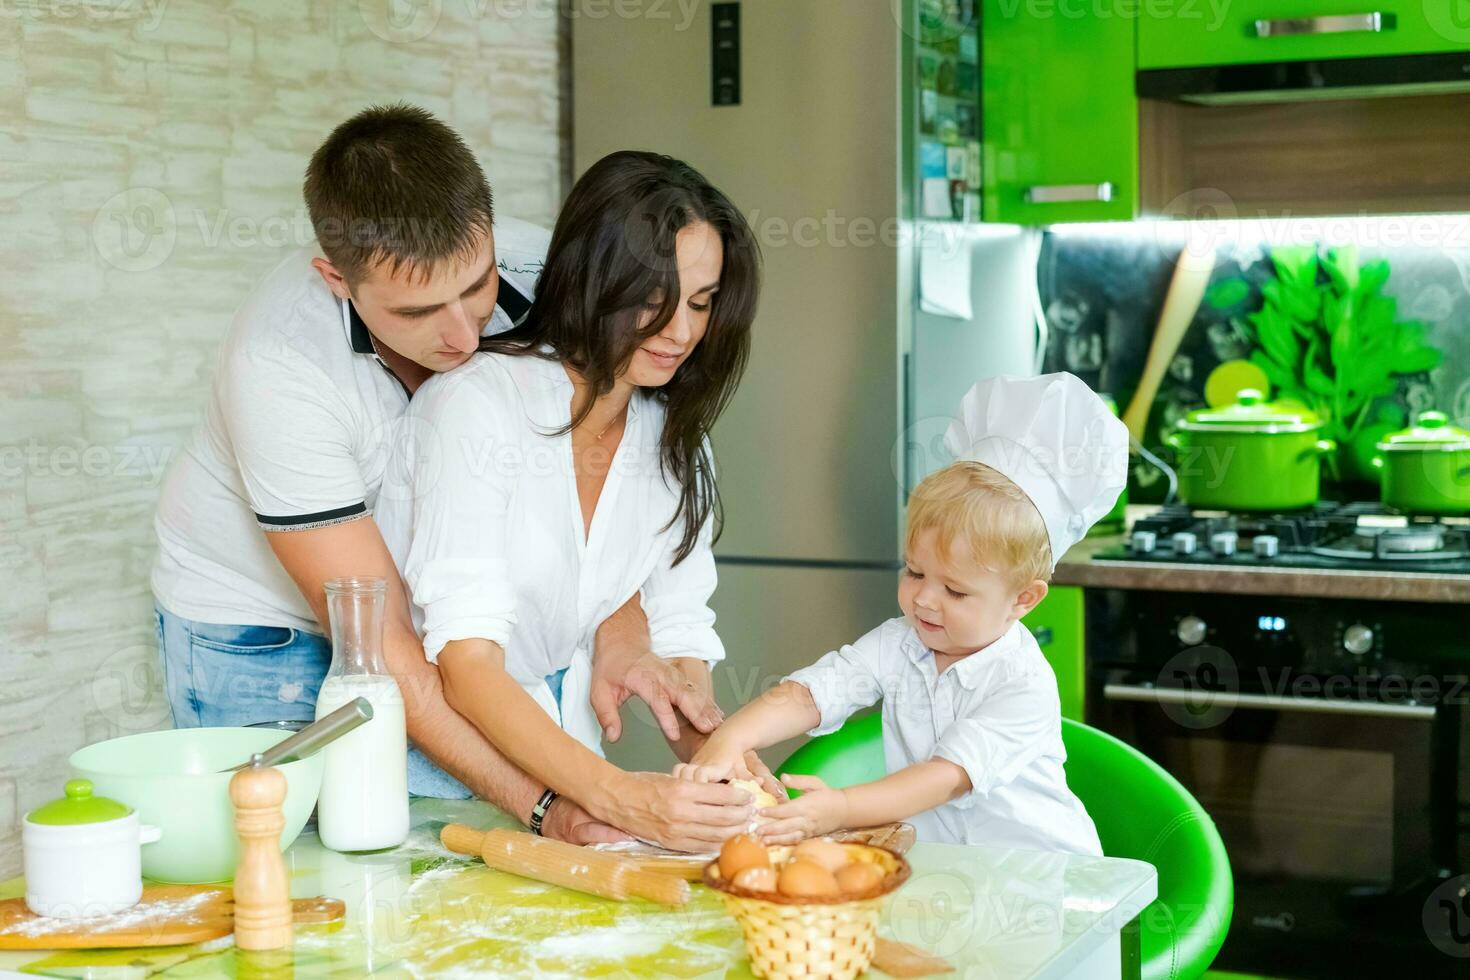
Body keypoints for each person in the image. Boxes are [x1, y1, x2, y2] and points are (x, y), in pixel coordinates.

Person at [150, 104, 719, 845]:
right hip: (265, 631)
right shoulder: (280, 369)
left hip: (429, 617)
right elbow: (380, 646)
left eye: (476, 286)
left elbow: (597, 475)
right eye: (419, 310)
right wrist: (546, 807)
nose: (464, 334)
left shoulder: (543, 275)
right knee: (286, 865)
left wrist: (621, 627)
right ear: (335, 278)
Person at [375, 150, 770, 852]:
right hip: (438, 771)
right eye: (655, 298)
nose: (681, 331)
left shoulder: (674, 443)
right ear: (597, 278)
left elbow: (677, 633)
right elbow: (466, 669)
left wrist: (727, 772)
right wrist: (620, 796)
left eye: (702, 303)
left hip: (567, 767)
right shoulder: (477, 409)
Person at [678, 373, 1129, 853]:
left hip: (1041, 884)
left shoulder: (1021, 684)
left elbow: (944, 779)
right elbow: (813, 693)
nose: (924, 600)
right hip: (948, 879)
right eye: (914, 572)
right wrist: (731, 738)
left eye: (955, 591)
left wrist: (841, 809)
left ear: (1024, 599)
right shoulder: (901, 642)